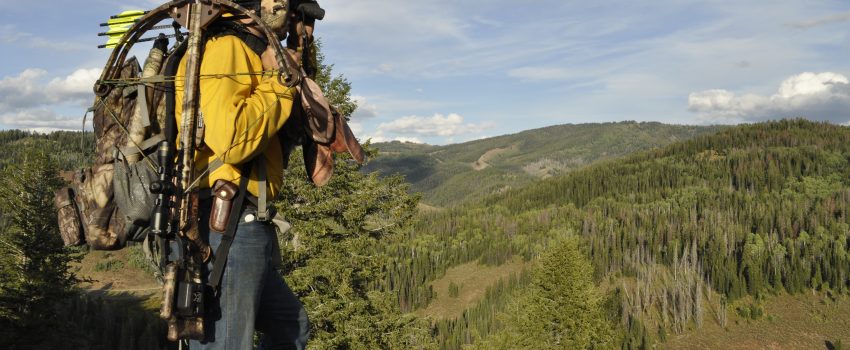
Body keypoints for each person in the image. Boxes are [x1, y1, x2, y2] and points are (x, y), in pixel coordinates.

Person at [173, 0, 310, 348]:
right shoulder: (227, 47)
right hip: (224, 224)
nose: (291, 18)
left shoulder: (250, 50)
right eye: (289, 8)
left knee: (291, 326)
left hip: (241, 222)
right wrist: (279, 80)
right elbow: (232, 141)